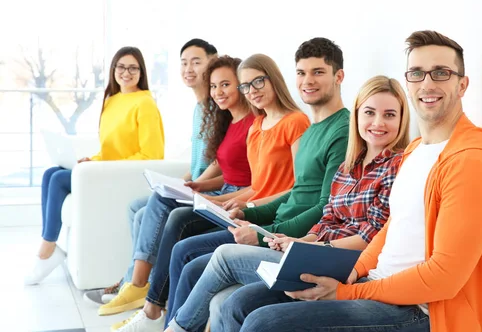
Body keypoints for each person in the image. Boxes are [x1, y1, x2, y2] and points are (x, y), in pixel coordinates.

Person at [219, 30, 482, 332]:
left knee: (263, 324)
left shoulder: (473, 159)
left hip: (422, 311)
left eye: (440, 73)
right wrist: (352, 273)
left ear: (462, 84)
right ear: (408, 83)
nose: (427, 84)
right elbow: (389, 229)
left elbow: (444, 278)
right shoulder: (416, 149)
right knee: (240, 304)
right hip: (373, 282)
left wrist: (347, 291)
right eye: (417, 73)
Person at [115, 37, 349, 332]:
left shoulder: (330, 128)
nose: (307, 81)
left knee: (190, 251)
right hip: (272, 223)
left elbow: (323, 206)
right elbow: (296, 191)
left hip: (287, 235)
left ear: (338, 76)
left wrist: (263, 230)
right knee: (181, 245)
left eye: (318, 72)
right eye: (302, 73)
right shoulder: (313, 126)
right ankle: (156, 315)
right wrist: (246, 212)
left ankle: (156, 315)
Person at [165, 75, 412, 332]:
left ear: (402, 120)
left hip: (346, 263)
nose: (378, 123)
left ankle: (175, 329)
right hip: (317, 251)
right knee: (221, 300)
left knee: (225, 256)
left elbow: (372, 235)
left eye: (389, 115)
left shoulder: (397, 166)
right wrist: (301, 242)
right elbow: (327, 217)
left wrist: (316, 246)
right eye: (370, 113)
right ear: (358, 116)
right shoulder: (348, 166)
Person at [83, 38, 219, 306]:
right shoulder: (198, 109)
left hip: (212, 190)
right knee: (136, 207)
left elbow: (221, 163)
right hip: (199, 184)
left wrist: (195, 184)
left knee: (148, 210)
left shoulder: (218, 107)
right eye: (183, 63)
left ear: (213, 62)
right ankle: (138, 281)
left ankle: (135, 284)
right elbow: (200, 163)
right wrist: (181, 181)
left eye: (196, 62)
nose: (188, 68)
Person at [25, 46, 165, 286]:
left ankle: (46, 250)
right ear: (113, 70)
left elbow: (152, 154)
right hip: (105, 172)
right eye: (121, 67)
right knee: (51, 174)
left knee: (59, 180)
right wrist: (94, 160)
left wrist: (105, 166)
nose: (126, 72)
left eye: (133, 67)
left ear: (141, 72)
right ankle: (49, 247)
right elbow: (111, 148)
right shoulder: (112, 101)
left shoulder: (145, 103)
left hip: (120, 176)